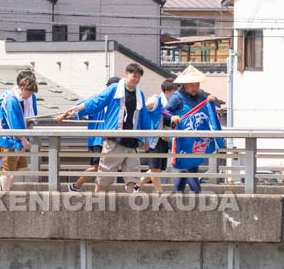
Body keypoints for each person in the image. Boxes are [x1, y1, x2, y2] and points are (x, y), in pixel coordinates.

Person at [55, 64, 156, 193]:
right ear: (127, 73)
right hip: (114, 140)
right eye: (134, 76)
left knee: (133, 177)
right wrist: (75, 110)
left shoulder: (139, 94)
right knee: (105, 177)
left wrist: (147, 138)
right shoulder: (114, 89)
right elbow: (97, 101)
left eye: (138, 78)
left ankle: (134, 206)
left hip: (132, 142)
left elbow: (144, 116)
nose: (136, 80)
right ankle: (98, 204)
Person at [164, 65, 222, 194]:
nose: (195, 88)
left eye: (197, 85)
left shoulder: (201, 95)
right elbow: (164, 111)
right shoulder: (177, 97)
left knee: (187, 167)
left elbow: (208, 106)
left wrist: (211, 100)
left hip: (196, 139)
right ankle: (197, 194)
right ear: (185, 84)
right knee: (188, 167)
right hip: (182, 139)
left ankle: (178, 194)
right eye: (192, 85)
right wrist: (172, 117)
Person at [0, 70, 39, 191]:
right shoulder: (11, 100)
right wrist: (24, 139)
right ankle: (4, 194)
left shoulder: (21, 98)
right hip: (9, 140)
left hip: (17, 139)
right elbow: (13, 124)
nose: (30, 96)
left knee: (21, 168)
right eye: (29, 93)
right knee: (8, 170)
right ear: (22, 88)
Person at [67, 76, 121, 193]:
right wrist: (68, 113)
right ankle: (76, 186)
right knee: (97, 168)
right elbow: (78, 108)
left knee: (105, 170)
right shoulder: (98, 99)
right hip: (97, 140)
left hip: (111, 140)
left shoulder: (120, 103)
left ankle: (98, 194)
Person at [139, 79, 177, 194]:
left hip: (164, 139)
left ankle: (136, 186)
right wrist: (144, 130)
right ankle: (160, 193)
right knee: (155, 169)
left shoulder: (170, 105)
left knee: (158, 169)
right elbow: (142, 111)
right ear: (167, 92)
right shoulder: (156, 100)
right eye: (175, 93)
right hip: (154, 139)